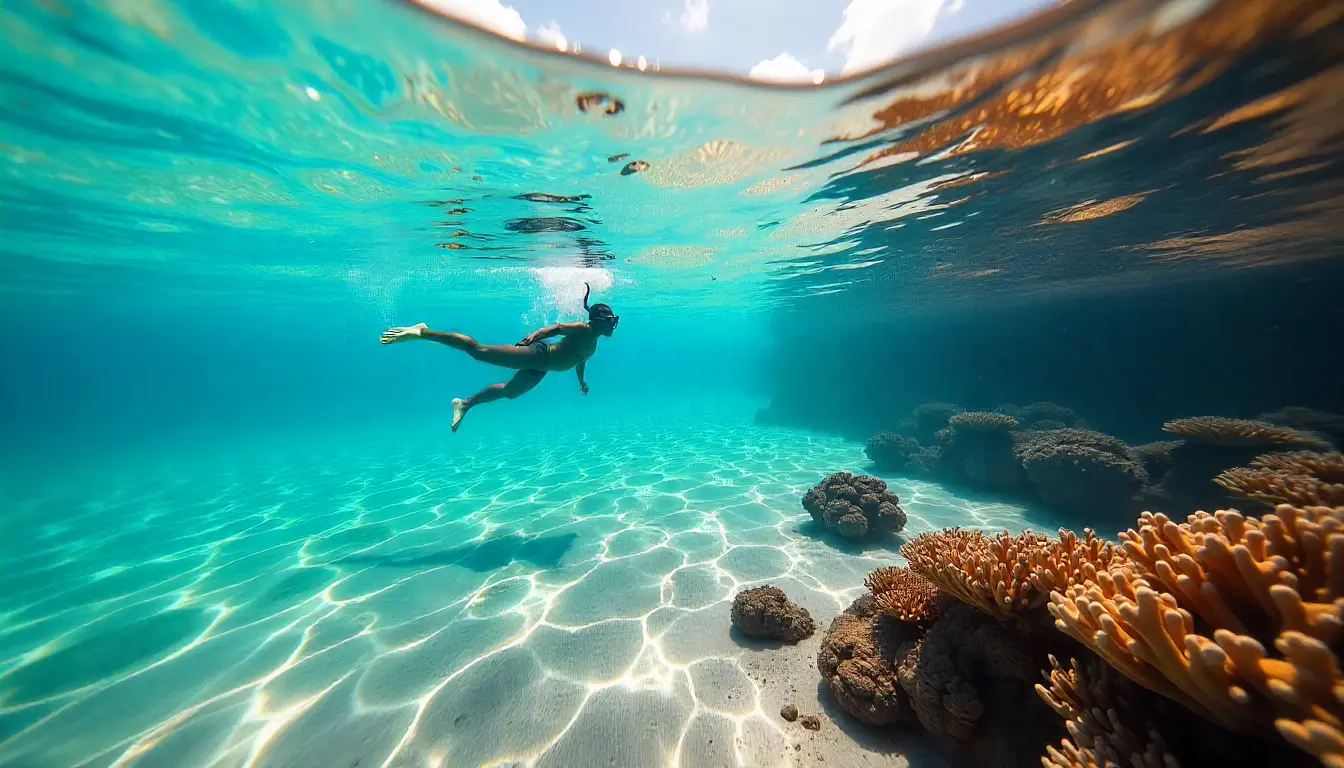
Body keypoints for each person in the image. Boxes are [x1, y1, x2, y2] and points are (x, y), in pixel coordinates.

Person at [379, 284, 618, 432]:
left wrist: (581, 382)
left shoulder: (593, 344)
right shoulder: (582, 329)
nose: (613, 327)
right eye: (610, 322)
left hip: (541, 368)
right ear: (597, 321)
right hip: (539, 354)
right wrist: (532, 336)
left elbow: (580, 360)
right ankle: (422, 331)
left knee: (510, 392)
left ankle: (464, 403)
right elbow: (555, 328)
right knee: (478, 351)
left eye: (614, 322)